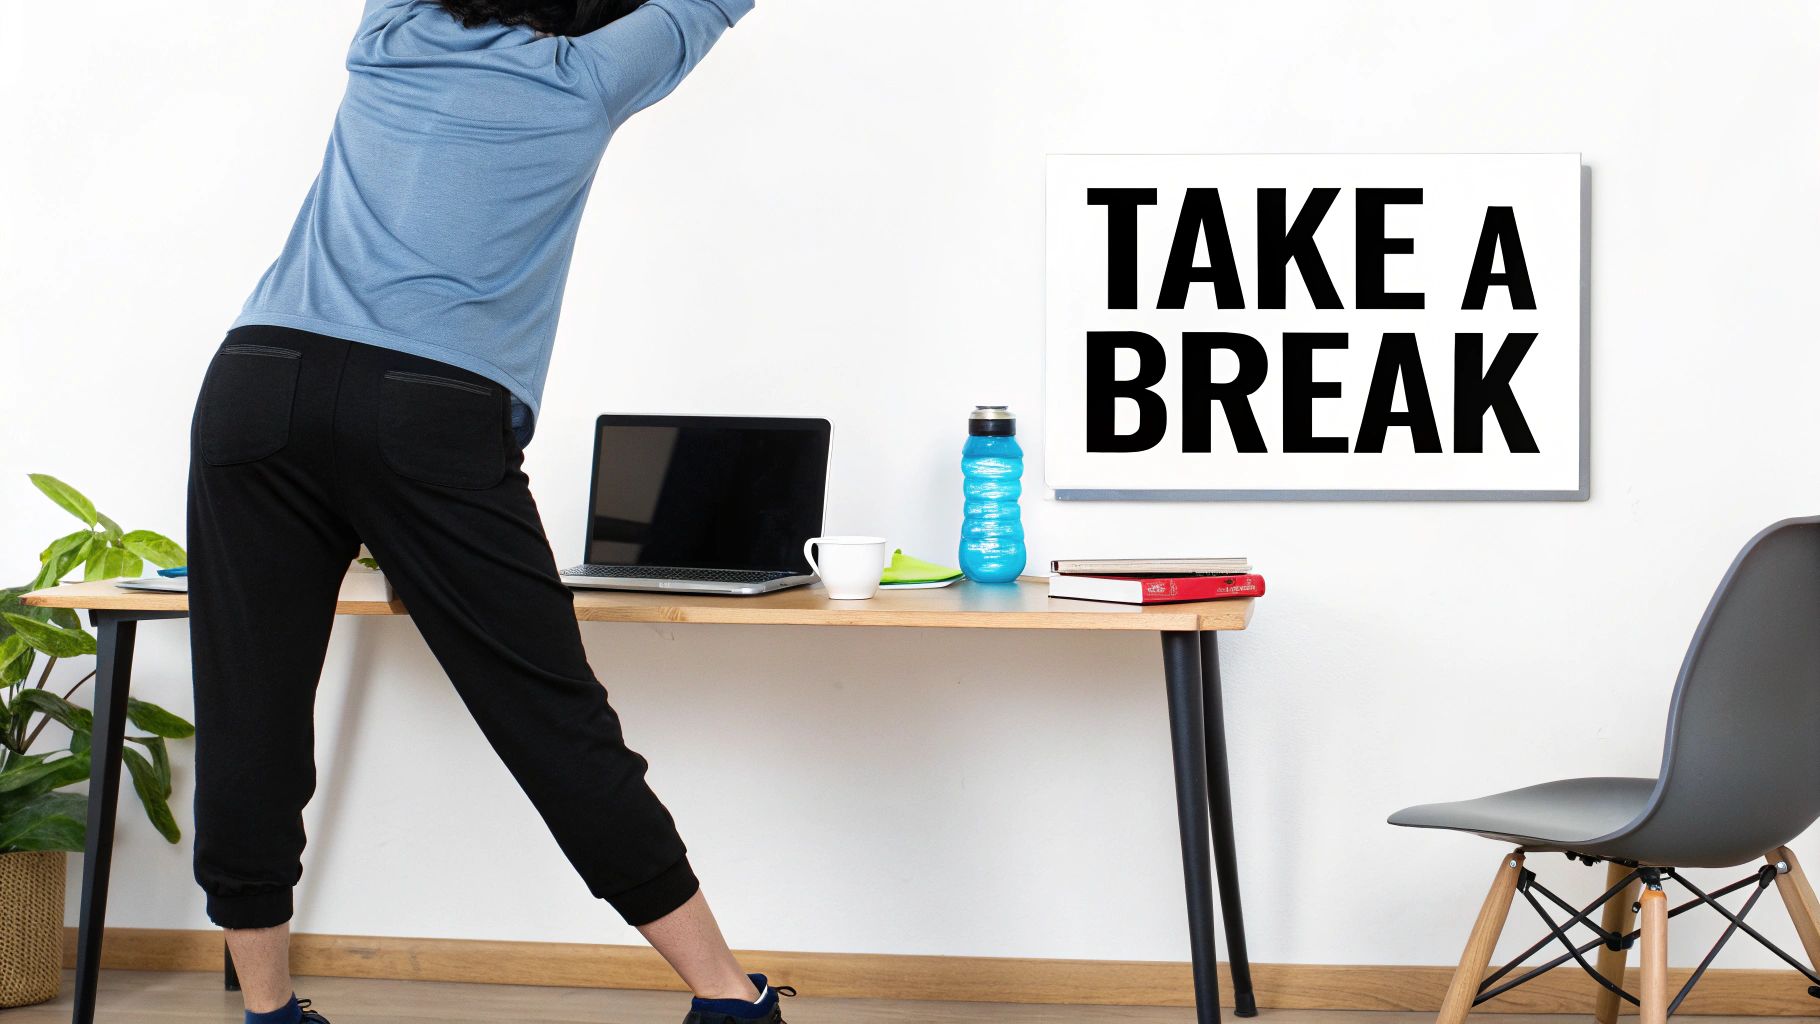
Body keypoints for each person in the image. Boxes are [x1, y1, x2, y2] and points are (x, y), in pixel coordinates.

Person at [184, 2, 787, 1022]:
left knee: (250, 711)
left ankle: (268, 1010)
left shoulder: (391, 30)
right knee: (548, 712)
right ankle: (727, 998)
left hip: (257, 380)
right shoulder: (588, 72)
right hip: (426, 410)